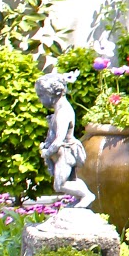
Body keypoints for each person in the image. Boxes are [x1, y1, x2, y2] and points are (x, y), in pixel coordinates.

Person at [36, 72, 94, 208]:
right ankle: (80, 198)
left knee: (60, 184)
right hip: (64, 151)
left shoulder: (63, 112)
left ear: (51, 93)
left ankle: (87, 195)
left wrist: (47, 152)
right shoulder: (60, 109)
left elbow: (59, 140)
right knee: (71, 179)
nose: (40, 100)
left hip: (66, 152)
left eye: (41, 96)